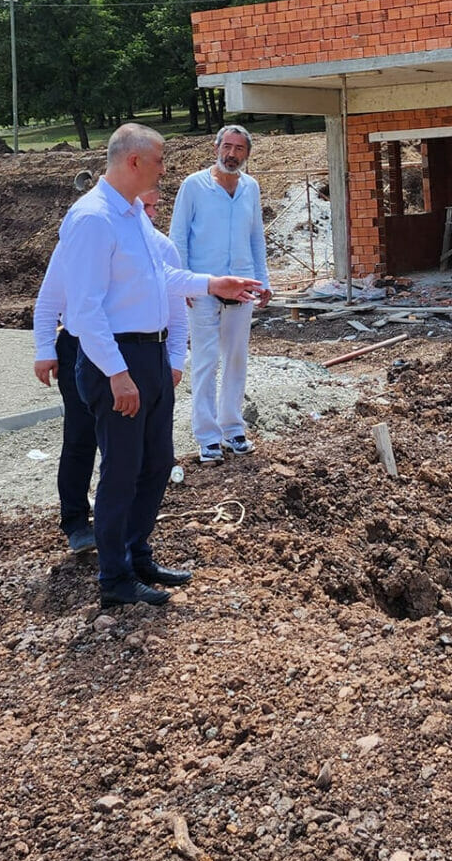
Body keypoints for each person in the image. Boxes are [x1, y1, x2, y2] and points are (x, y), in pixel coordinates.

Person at [51, 123, 262, 608]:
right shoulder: (92, 219)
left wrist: (212, 283)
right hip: (117, 359)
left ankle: (136, 553)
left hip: (149, 353)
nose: (165, 170)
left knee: (156, 464)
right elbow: (84, 310)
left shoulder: (131, 217)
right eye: (160, 161)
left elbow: (161, 274)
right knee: (122, 471)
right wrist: (117, 374)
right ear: (133, 162)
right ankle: (114, 579)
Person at [33, 185, 186, 556]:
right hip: (82, 345)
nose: (147, 214)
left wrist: (175, 360)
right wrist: (43, 348)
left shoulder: (162, 248)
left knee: (134, 451)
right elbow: (52, 296)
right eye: (141, 205)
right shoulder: (88, 233)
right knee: (81, 436)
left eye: (152, 207)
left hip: (140, 352)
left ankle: (125, 533)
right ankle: (75, 520)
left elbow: (177, 311)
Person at [169, 124, 273, 464]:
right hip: (203, 287)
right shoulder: (194, 186)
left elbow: (256, 236)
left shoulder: (251, 188)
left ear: (247, 154)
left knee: (236, 360)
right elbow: (178, 235)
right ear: (216, 147)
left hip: (242, 287)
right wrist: (183, 281)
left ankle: (233, 428)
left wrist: (263, 279)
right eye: (226, 146)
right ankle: (207, 436)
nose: (231, 154)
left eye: (239, 149)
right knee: (205, 361)